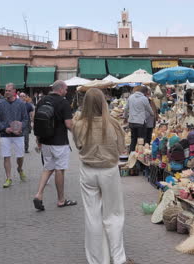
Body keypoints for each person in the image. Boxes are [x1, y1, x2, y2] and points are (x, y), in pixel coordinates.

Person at [72, 88, 129, 264]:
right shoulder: (113, 123)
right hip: (109, 171)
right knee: (114, 215)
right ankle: (118, 258)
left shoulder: (79, 124)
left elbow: (79, 146)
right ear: (104, 102)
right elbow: (122, 149)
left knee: (92, 216)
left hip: (88, 170)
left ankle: (97, 260)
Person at [33, 80, 77, 210]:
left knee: (47, 168)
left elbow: (36, 121)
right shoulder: (63, 103)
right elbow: (69, 124)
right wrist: (79, 135)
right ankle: (61, 200)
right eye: (66, 89)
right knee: (59, 170)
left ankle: (38, 194)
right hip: (59, 143)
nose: (67, 92)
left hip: (45, 141)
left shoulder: (42, 101)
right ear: (61, 89)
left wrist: (38, 140)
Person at [0, 83, 29, 188]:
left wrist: (20, 128)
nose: (6, 92)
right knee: (6, 156)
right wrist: (5, 128)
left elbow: (26, 119)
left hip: (18, 135)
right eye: (6, 90)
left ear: (14, 91)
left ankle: (20, 168)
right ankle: (8, 178)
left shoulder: (21, 104)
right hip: (5, 135)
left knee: (20, 156)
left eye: (9, 90)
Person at [124, 86, 154, 152]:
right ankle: (141, 156)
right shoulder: (144, 98)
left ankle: (131, 154)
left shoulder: (130, 97)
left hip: (132, 121)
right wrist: (152, 114)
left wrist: (125, 117)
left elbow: (126, 108)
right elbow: (149, 109)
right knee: (141, 140)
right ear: (145, 92)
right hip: (140, 122)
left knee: (133, 139)